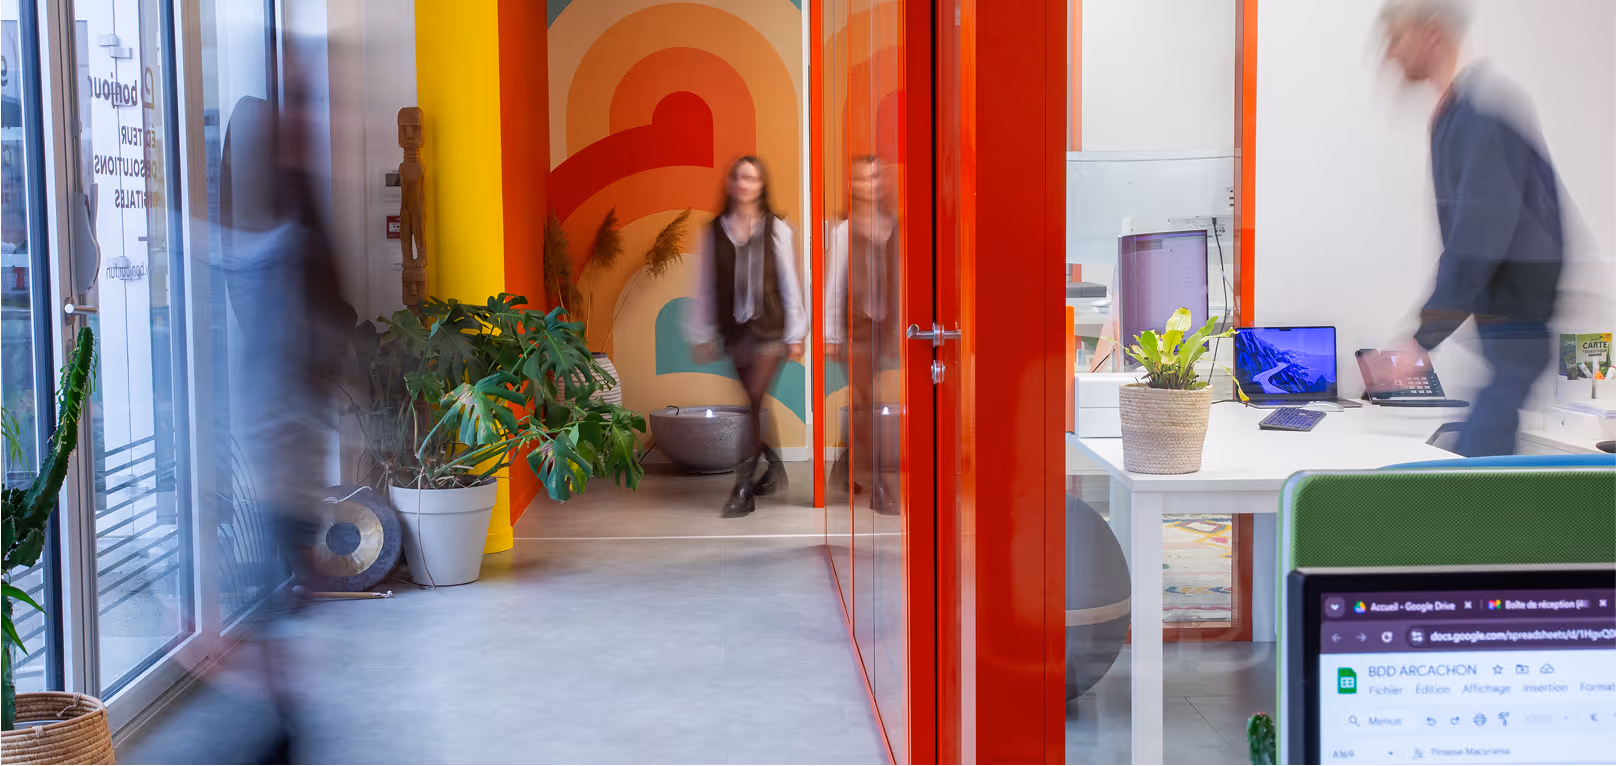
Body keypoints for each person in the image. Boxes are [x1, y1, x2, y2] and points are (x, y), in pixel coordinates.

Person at [1374, 0, 1564, 457]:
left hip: (1519, 329)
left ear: (1432, 32)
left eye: (1397, 38)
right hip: (1504, 330)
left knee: (1478, 476)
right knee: (1480, 460)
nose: (1390, 55)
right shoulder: (1455, 119)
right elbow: (1467, 244)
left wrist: (1420, 343)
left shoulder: (1481, 117)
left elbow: (1475, 242)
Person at [688, 157, 808, 517]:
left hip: (771, 330)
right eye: (739, 177)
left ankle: (742, 487)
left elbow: (789, 282)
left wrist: (796, 334)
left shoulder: (777, 229)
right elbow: (706, 286)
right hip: (735, 332)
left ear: (761, 186)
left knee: (753, 401)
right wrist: (702, 331)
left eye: (752, 178)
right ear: (731, 184)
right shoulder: (714, 231)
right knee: (753, 404)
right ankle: (774, 465)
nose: (745, 184)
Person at [826, 155, 899, 511]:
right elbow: (834, 286)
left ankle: (844, 467)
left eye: (874, 178)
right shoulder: (844, 231)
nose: (869, 185)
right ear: (853, 185)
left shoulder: (895, 226)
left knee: (865, 404)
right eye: (861, 179)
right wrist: (831, 335)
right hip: (856, 329)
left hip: (890, 329)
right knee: (870, 401)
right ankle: (882, 487)